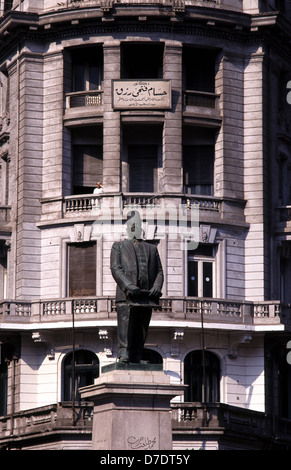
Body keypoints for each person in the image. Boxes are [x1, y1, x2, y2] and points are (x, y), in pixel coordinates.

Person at [110, 210, 164, 363]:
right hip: (126, 295)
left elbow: (159, 271)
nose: (135, 227)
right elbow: (115, 268)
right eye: (132, 225)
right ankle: (124, 353)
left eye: (137, 225)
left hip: (147, 296)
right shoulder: (118, 246)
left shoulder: (152, 249)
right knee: (126, 325)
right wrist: (128, 285)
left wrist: (157, 287)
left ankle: (137, 355)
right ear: (127, 228)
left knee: (142, 327)